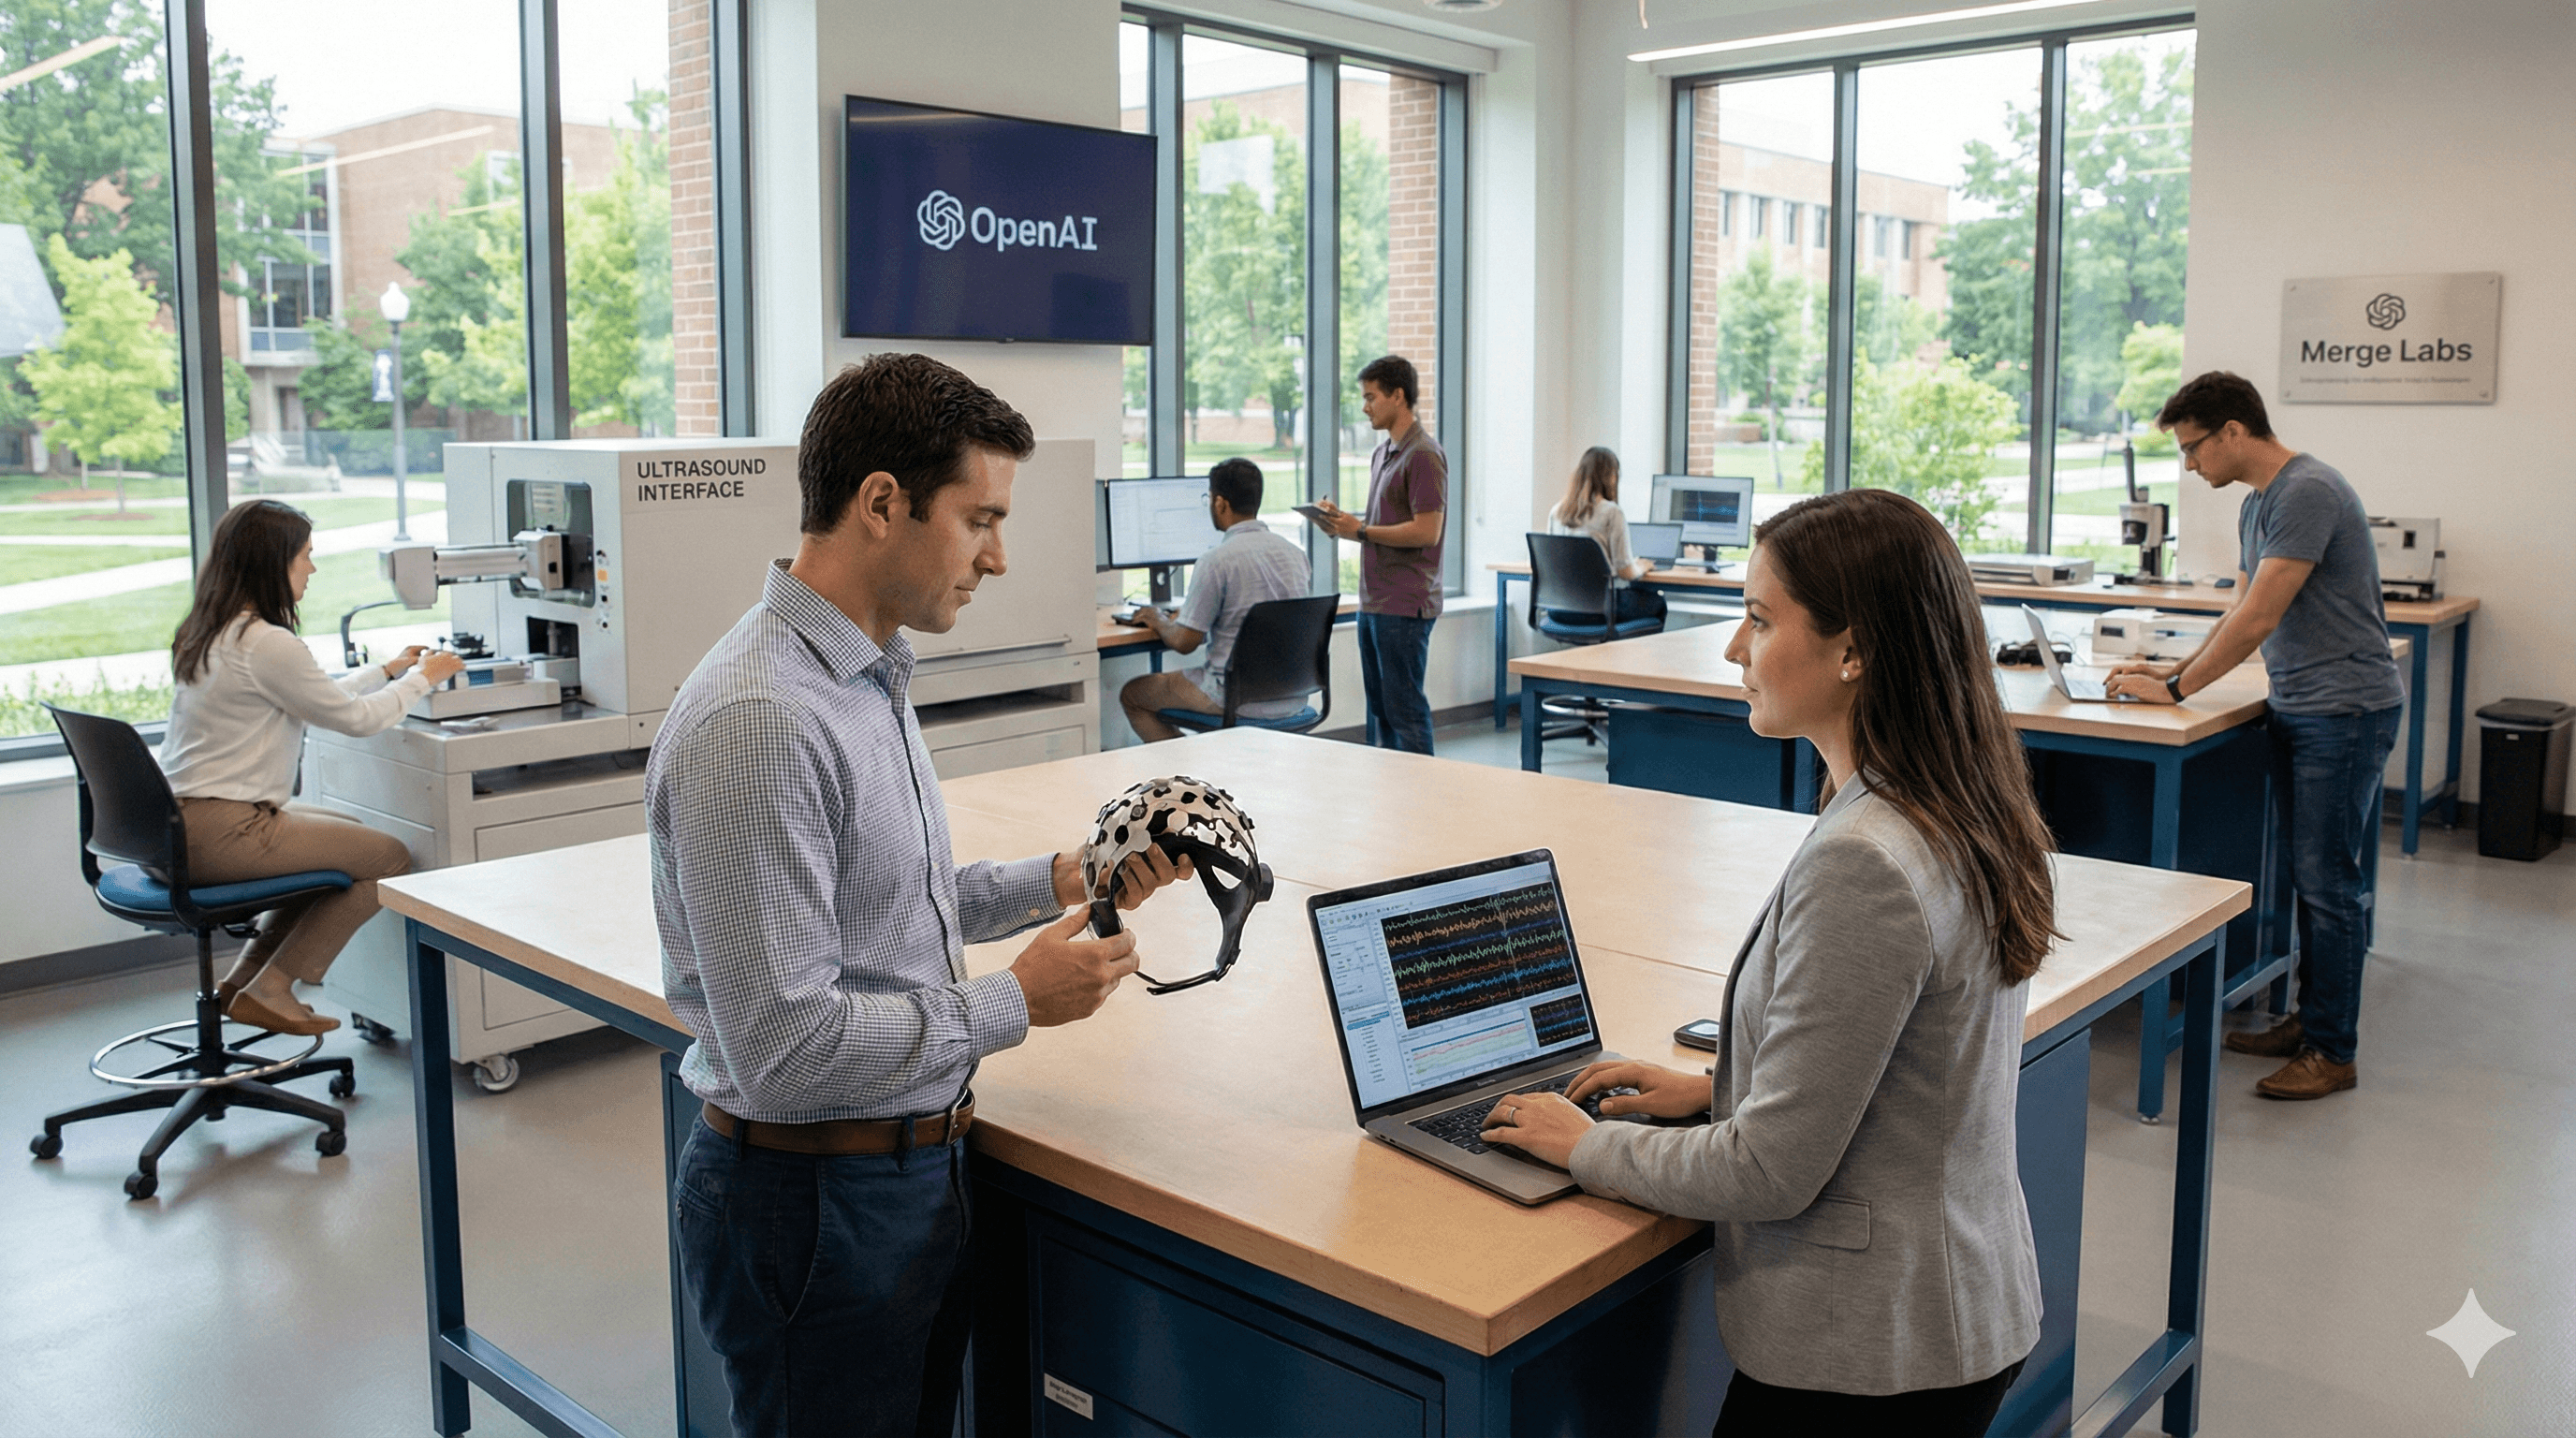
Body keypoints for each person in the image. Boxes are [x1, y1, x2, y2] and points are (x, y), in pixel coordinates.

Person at [651, 353, 1193, 1437]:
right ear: (882, 504)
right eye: (979, 519)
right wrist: (1015, 1002)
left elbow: (892, 899)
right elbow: (785, 1047)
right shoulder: (764, 718)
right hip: (814, 1202)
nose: (998, 557)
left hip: (896, 1178)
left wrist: (1061, 878)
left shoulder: (865, 674)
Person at [1483, 487, 2055, 1436]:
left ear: (1854, 648)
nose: (1733, 650)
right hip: (1952, 1305)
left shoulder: (1865, 859)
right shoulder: (1954, 798)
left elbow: (1768, 1176)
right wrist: (1717, 1091)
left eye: (1757, 619)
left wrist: (1579, 1145)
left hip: (1871, 1350)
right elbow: (1902, 1069)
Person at [2104, 371, 2403, 1101]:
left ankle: (2334, 1050)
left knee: (2329, 883)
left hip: (2345, 710)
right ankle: (2311, 1018)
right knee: (2311, 874)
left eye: (2194, 447)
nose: (2189, 464)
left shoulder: (2308, 491)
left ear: (2234, 431)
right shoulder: (2258, 507)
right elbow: (2237, 614)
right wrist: (2168, 665)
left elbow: (2261, 618)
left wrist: (2176, 690)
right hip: (2303, 705)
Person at [157, 499, 462, 1037]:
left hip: (179, 825)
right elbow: (358, 721)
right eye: (305, 556)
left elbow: (311, 698)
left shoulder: (212, 629)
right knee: (388, 858)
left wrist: (385, 671)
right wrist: (423, 679)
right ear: (273, 563)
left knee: (353, 839)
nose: (312, 569)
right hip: (223, 830)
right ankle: (277, 986)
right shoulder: (267, 643)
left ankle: (246, 985)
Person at [1118, 457, 1311, 741]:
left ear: (1219, 503)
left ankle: (1186, 778)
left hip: (1234, 697)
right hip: (1293, 696)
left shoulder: (1216, 561)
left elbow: (1185, 643)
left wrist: (1159, 620)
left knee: (1133, 694)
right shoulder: (1296, 554)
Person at [1314, 354, 1445, 755]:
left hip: (1405, 603)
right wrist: (1344, 524)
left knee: (1404, 709)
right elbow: (1381, 527)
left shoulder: (1423, 454)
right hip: (1375, 600)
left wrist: (1363, 530)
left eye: (1371, 397)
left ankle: (1422, 799)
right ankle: (1392, 794)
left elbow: (1427, 530)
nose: (1365, 406)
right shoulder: (1383, 454)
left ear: (1398, 396)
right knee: (1382, 710)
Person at [1545, 445, 1668, 625]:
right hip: (1600, 608)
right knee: (1657, 603)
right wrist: (1641, 566)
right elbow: (1625, 572)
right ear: (1611, 477)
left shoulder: (1557, 512)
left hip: (1559, 609)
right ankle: (1622, 654)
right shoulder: (1612, 513)